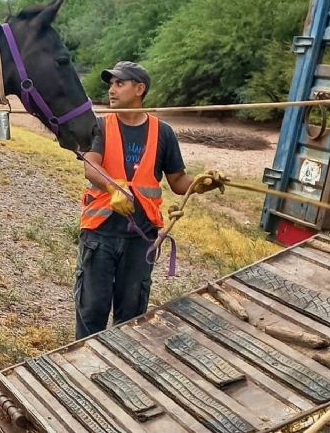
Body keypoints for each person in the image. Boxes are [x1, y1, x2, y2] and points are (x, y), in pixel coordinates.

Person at [74, 61, 224, 340]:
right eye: (111, 84)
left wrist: (202, 184)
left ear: (139, 89)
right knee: (91, 309)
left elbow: (178, 182)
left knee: (131, 314)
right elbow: (90, 165)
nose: (112, 89)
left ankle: (123, 368)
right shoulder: (100, 125)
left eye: (120, 83)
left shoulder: (163, 132)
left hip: (140, 238)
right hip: (100, 234)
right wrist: (113, 188)